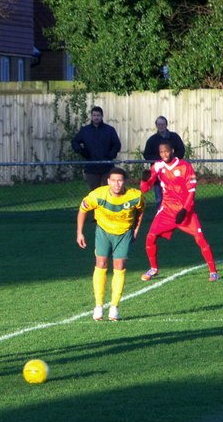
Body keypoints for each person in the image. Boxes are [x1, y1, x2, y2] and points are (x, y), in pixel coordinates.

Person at [139, 140, 218, 282]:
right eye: (161, 152)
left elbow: (191, 191)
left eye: (166, 151)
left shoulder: (185, 166)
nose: (164, 154)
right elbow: (145, 189)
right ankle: (154, 268)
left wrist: (184, 210)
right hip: (167, 209)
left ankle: (213, 271)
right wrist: (144, 180)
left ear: (173, 151)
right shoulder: (157, 166)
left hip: (185, 211)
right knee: (150, 237)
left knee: (200, 239)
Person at [76, 167, 145, 321]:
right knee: (101, 263)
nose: (116, 184)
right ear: (108, 181)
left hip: (124, 233)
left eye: (120, 180)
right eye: (113, 180)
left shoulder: (135, 196)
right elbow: (82, 210)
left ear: (124, 182)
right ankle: (98, 306)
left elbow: (141, 211)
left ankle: (114, 307)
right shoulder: (97, 195)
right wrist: (79, 233)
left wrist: (136, 229)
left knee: (119, 266)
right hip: (103, 232)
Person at [71, 106, 122, 191]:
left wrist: (111, 154)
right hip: (91, 167)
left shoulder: (109, 130)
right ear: (91, 116)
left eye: (98, 115)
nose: (96, 117)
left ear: (101, 116)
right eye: (94, 115)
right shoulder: (85, 131)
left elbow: (117, 144)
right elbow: (74, 142)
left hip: (107, 167)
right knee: (94, 193)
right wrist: (81, 151)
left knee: (108, 191)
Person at [143, 116, 186, 210]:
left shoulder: (174, 137)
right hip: (159, 175)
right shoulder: (152, 140)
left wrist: (171, 160)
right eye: (159, 124)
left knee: (176, 197)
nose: (161, 126)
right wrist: (160, 160)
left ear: (166, 125)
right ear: (156, 125)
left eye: (163, 124)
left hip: (174, 173)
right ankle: (161, 216)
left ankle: (176, 215)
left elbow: (181, 151)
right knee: (159, 199)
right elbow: (147, 154)